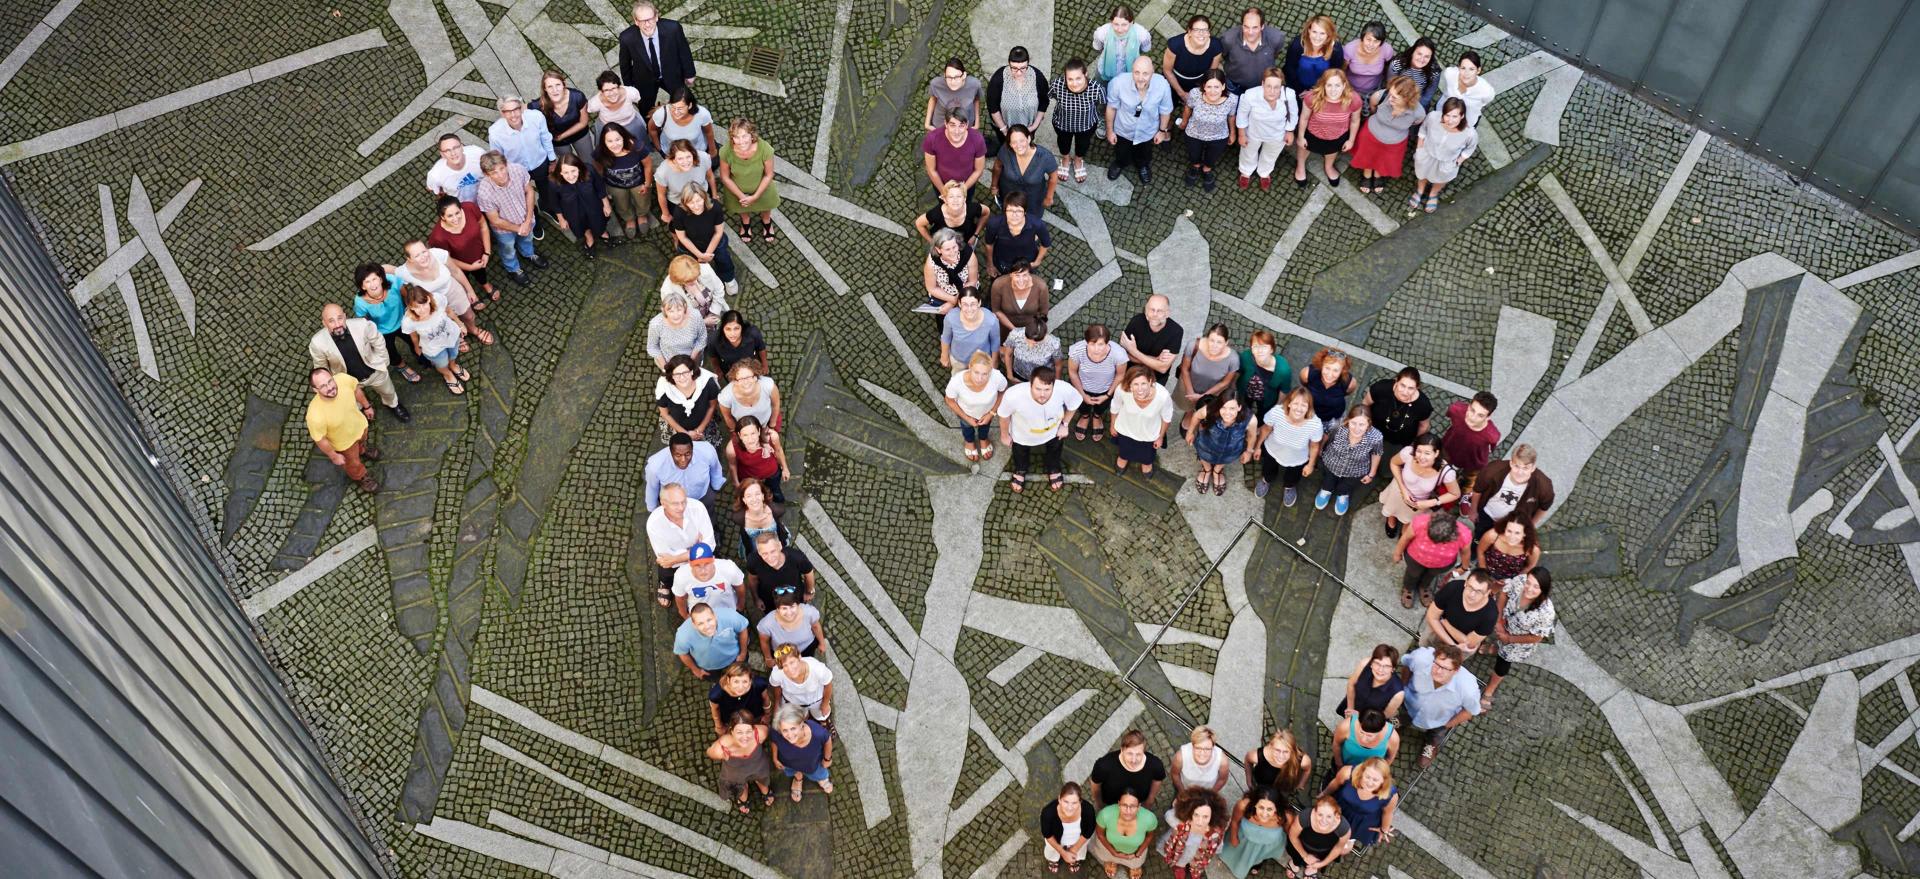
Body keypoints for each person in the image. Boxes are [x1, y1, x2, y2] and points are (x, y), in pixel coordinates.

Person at [309, 304, 408, 422]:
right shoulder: (317, 343)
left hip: (374, 372)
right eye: (331, 321)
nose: (337, 324)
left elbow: (378, 341)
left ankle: (393, 404)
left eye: (340, 318)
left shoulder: (362, 325)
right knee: (354, 401)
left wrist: (383, 361)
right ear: (324, 323)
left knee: (388, 391)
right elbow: (322, 368)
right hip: (348, 381)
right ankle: (361, 409)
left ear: (345, 317)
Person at [998, 365, 1082, 493]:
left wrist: (1065, 424)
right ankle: (1020, 469)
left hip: (1053, 432)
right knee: (1020, 452)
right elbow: (1004, 415)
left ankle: (1053, 468)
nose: (1042, 394)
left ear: (1054, 385)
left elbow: (1074, 402)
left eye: (1047, 389)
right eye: (1038, 389)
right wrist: (1005, 435)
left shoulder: (1063, 388)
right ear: (1030, 384)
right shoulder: (1013, 395)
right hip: (1022, 434)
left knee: (1055, 450)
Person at [392, 238, 490, 346]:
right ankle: (457, 338)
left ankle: (473, 329)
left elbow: (456, 271)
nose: (423, 257)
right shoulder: (404, 272)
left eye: (424, 251)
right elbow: (393, 277)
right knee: (443, 324)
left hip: (452, 290)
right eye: (417, 255)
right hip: (431, 302)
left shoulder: (439, 254)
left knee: (469, 316)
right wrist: (409, 300)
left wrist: (470, 290)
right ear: (409, 259)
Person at [1485, 567, 1555, 709]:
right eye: (1528, 582)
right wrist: (1498, 620)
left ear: (1544, 589)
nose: (1528, 588)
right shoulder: (1520, 581)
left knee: (1502, 664)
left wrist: (1509, 639)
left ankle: (1489, 690)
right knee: (1496, 641)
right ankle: (1494, 648)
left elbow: (1536, 637)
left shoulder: (1546, 613)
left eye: (1536, 587)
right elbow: (1504, 593)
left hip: (1517, 643)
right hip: (1502, 626)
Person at [1402, 643, 1481, 768]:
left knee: (1436, 734)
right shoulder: (1421, 658)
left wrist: (1446, 725)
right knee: (1404, 713)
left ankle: (1431, 743)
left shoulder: (1467, 689)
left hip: (1438, 720)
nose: (1438, 671)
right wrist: (1403, 687)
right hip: (1409, 704)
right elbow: (1407, 665)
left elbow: (1470, 711)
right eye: (1437, 664)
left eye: (1445, 668)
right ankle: (1403, 719)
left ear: (1456, 670)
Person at [617, 1, 696, 122]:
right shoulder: (627, 38)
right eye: (642, 21)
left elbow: (684, 50)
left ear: (656, 16)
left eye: (650, 19)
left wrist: (689, 73)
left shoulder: (673, 29)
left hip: (671, 74)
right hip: (644, 80)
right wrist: (629, 88)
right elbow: (625, 65)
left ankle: (691, 122)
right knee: (646, 110)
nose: (647, 24)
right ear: (636, 21)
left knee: (686, 101)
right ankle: (651, 130)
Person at [475, 151, 545, 285]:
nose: (501, 175)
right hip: (504, 230)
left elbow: (529, 191)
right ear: (486, 174)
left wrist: (528, 219)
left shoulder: (518, 170)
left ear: (506, 164)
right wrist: (519, 228)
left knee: (527, 239)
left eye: (502, 168)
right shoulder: (484, 193)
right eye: (494, 172)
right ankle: (513, 269)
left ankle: (528, 254)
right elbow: (495, 220)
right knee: (508, 249)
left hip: (526, 219)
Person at [306, 367, 379, 492]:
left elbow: (356, 390)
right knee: (353, 464)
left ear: (333, 376)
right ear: (315, 390)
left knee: (363, 442)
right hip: (344, 445)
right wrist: (333, 456)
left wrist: (367, 407)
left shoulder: (343, 379)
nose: (330, 388)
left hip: (360, 426)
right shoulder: (315, 415)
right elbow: (320, 439)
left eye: (330, 381)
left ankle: (362, 450)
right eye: (323, 386)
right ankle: (361, 476)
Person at [1104, 56, 1173, 183]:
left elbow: (1165, 111)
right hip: (1123, 129)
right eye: (1137, 72)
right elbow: (1111, 108)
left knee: (1144, 152)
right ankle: (1120, 163)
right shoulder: (1118, 83)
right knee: (1121, 150)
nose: (1140, 78)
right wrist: (1109, 131)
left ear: (1153, 72)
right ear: (1132, 70)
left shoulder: (1163, 86)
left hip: (1147, 131)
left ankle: (1142, 166)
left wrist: (1162, 131)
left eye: (1145, 73)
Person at [1351, 75, 1425, 193]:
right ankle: (1367, 172)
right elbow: (1373, 108)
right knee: (1367, 155)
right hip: (1371, 135)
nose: (1390, 99)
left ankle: (1378, 173)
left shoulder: (1419, 113)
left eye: (1395, 98)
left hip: (1395, 143)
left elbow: (1416, 122)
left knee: (1383, 160)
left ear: (1407, 99)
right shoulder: (1380, 96)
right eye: (1390, 94)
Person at [1381, 434, 1461, 539]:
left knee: (1409, 518)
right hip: (1398, 490)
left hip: (1418, 502)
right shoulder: (1408, 453)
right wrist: (1403, 489)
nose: (1421, 457)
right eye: (1418, 451)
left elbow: (1455, 493)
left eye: (1427, 453)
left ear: (1436, 453)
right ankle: (1391, 518)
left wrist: (1430, 502)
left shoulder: (1445, 471)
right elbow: (1394, 463)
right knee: (1392, 508)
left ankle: (1406, 527)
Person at [352, 264, 422, 383]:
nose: (373, 284)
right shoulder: (360, 302)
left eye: (374, 279)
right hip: (382, 330)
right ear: (362, 286)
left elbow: (406, 296)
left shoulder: (393, 281)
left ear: (380, 278)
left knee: (415, 341)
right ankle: (401, 366)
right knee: (390, 351)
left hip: (403, 321)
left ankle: (419, 355)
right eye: (367, 282)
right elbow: (365, 321)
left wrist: (410, 313)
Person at [647, 482, 715, 606]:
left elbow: (710, 544)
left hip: (685, 559)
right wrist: (696, 549)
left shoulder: (698, 508)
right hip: (675, 564)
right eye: (675, 503)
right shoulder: (654, 524)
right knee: (666, 572)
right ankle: (664, 584)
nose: (681, 507)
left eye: (683, 501)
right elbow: (664, 559)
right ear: (663, 503)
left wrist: (676, 558)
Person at [1469, 445, 1555, 541]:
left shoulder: (1543, 486)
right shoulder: (1493, 470)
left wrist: (1530, 526)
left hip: (1512, 525)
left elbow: (1544, 508)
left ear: (1533, 468)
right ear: (1511, 463)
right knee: (1478, 537)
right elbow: (1477, 490)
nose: (1520, 472)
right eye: (1516, 466)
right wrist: (1473, 510)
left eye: (1525, 468)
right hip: (1487, 514)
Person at [1253, 388, 1323, 504]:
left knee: (1293, 476)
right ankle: (1266, 480)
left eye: (1304, 405)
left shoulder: (1315, 424)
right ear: (1289, 403)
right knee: (1268, 469)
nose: (1299, 409)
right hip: (1273, 450)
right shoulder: (1276, 413)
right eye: (1296, 403)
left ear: (1309, 407)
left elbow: (1314, 446)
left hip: (1298, 458)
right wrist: (1257, 447)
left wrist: (1310, 464)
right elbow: (1266, 429)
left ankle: (1289, 487)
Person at [1292, 68, 1361, 187]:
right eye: (1329, 85)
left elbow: (1355, 121)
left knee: (1332, 151)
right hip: (1312, 133)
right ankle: (1300, 166)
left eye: (1337, 85)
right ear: (1323, 85)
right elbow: (1304, 118)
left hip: (1337, 135)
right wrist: (1301, 137)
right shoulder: (1312, 98)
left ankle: (1328, 166)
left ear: (1344, 85)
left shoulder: (1353, 100)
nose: (1333, 90)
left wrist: (1351, 140)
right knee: (1304, 148)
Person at [488, 95, 556, 214]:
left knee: (546, 189)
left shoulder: (536, 117)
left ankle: (546, 207)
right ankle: (533, 217)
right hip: (516, 171)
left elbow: (546, 138)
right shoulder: (495, 132)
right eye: (508, 112)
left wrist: (552, 160)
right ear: (502, 114)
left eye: (516, 109)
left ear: (521, 108)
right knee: (524, 197)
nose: (513, 115)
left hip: (540, 162)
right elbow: (497, 157)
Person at [718, 118, 780, 242]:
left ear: (752, 135)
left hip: (762, 188)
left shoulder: (765, 149)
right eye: (736, 137)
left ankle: (766, 221)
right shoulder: (726, 152)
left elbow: (768, 175)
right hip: (737, 191)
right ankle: (745, 222)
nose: (741, 142)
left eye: (744, 136)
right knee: (742, 208)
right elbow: (725, 177)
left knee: (766, 207)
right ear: (732, 138)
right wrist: (741, 196)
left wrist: (756, 196)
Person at [1410, 97, 1477, 213]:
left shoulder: (1470, 133)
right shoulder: (1433, 117)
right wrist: (1419, 149)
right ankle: (1420, 190)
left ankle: (1433, 193)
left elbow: (1470, 148)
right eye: (1447, 115)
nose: (1450, 120)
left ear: (1462, 116)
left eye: (1455, 116)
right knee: (1422, 174)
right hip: (1427, 154)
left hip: (1447, 161)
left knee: (1441, 179)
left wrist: (1458, 161)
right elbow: (1423, 130)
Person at [399, 284, 469, 395]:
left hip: (451, 335)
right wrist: (417, 347)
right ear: (411, 307)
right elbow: (413, 336)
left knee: (453, 354)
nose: (422, 310)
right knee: (441, 363)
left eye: (424, 304)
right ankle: (448, 374)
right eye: (417, 307)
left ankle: (453, 365)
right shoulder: (408, 321)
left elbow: (449, 311)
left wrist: (460, 324)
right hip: (433, 347)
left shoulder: (438, 299)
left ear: (428, 298)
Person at [428, 195, 496, 308]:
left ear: (461, 209)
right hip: (458, 265)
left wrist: (487, 252)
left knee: (481, 271)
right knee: (462, 281)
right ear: (442, 217)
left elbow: (483, 225)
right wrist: (469, 267)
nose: (456, 218)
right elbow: (447, 259)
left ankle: (485, 284)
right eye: (450, 216)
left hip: (478, 254)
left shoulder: (469, 208)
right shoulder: (438, 237)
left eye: (457, 213)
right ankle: (469, 294)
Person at [1395, 509, 1472, 608]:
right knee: (1412, 574)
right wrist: (1397, 553)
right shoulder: (1420, 522)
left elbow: (1465, 553)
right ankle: (1408, 588)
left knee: (1431, 575)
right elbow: (1406, 538)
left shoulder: (1464, 535)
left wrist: (1464, 567)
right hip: (1415, 557)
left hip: (1442, 564)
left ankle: (1424, 586)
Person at [1234, 67, 1297, 188]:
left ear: (1281, 86)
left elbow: (1293, 114)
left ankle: (1264, 172)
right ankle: (1246, 171)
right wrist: (1242, 135)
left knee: (1271, 154)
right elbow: (1242, 116)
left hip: (1277, 134)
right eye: (1268, 86)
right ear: (1263, 84)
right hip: (1253, 132)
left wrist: (1290, 131)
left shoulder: (1289, 95)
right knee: (1248, 152)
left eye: (1276, 87)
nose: (1272, 91)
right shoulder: (1250, 95)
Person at [669, 185, 737, 295]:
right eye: (691, 202)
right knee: (691, 269)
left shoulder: (715, 207)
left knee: (723, 259)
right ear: (685, 203)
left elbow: (718, 232)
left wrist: (708, 253)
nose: (696, 206)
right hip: (690, 247)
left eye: (698, 200)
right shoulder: (679, 212)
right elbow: (682, 237)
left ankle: (728, 278)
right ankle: (698, 283)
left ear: (704, 197)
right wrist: (700, 255)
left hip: (715, 243)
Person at [1313, 405, 1381, 516]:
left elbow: (1376, 453)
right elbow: (1326, 435)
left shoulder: (1376, 437)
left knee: (1346, 486)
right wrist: (1320, 449)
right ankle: (1326, 490)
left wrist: (1371, 473)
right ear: (1348, 420)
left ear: (1368, 424)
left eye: (1362, 424)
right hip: (1332, 462)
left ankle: (1343, 494)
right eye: (1353, 423)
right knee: (1328, 480)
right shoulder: (1337, 425)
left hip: (1356, 470)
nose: (1357, 428)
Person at [1323, 758, 1397, 854]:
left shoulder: (1389, 795)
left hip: (1359, 824)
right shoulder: (1347, 773)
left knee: (1343, 850)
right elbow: (1335, 784)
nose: (1370, 783)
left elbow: (1387, 813)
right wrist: (1324, 794)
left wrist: (1384, 829)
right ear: (1362, 772)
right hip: (1339, 809)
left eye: (1375, 780)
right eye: (1367, 777)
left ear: (1383, 780)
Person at [1109, 365, 1173, 475]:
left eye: (1143, 383)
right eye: (1135, 384)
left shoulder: (1163, 396)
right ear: (1129, 384)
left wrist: (1160, 437)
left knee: (1147, 456)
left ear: (1150, 381)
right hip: (1125, 428)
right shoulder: (1121, 390)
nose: (1140, 389)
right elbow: (1115, 407)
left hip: (1149, 433)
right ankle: (1123, 458)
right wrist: (1112, 424)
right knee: (1124, 450)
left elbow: (1166, 418)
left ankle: (1147, 463)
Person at [946, 351, 1009, 463]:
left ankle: (983, 439)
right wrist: (966, 418)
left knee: (985, 427)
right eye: (976, 372)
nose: (980, 378)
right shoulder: (956, 382)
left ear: (991, 371)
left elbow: (1002, 392)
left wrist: (991, 413)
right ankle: (969, 441)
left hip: (987, 413)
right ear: (970, 367)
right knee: (967, 428)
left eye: (985, 374)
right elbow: (949, 400)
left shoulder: (997, 377)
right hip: (966, 413)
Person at [595, 123, 654, 244]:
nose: (615, 144)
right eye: (610, 141)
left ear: (624, 137)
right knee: (621, 203)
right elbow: (599, 170)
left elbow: (648, 165)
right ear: (604, 142)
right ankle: (629, 219)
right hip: (615, 185)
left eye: (618, 139)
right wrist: (605, 188)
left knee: (642, 200)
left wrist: (647, 183)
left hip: (638, 182)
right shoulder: (600, 152)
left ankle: (642, 215)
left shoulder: (637, 147)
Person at [706, 710, 774, 814]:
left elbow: (766, 732)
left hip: (757, 766)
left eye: (748, 731)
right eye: (739, 732)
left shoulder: (761, 733)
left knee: (761, 778)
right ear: (731, 731)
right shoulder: (722, 747)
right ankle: (744, 792)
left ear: (753, 728)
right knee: (740, 786)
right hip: (735, 773)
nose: (745, 737)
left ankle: (760, 785)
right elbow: (710, 753)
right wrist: (721, 755)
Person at [1048, 59, 1105, 183]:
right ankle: (1066, 159)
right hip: (1062, 124)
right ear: (1065, 78)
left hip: (1086, 125)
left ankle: (1078, 160)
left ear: (1086, 75)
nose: (1074, 83)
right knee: (1063, 143)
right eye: (1070, 79)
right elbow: (1049, 96)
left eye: (1078, 78)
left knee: (1083, 144)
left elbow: (1102, 104)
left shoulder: (1096, 89)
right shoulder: (1057, 85)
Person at [542, 153, 609, 258]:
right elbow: (554, 202)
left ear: (579, 168)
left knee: (598, 220)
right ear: (560, 173)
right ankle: (589, 237)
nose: (570, 176)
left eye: (573, 170)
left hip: (593, 205)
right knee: (580, 225)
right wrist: (561, 218)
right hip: (572, 211)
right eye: (566, 172)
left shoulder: (589, 170)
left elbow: (600, 187)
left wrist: (606, 203)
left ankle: (602, 232)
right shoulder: (553, 182)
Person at [1067, 324, 1128, 440]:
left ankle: (1096, 416)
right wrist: (1082, 394)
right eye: (1092, 343)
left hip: (1106, 389)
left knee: (1101, 407)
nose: (1096, 349)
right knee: (1083, 407)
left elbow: (1120, 375)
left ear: (1107, 342)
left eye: (1101, 344)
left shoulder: (1118, 354)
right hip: (1082, 387)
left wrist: (1107, 395)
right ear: (1086, 341)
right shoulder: (1077, 351)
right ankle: (1085, 416)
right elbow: (1073, 372)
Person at [1180, 71, 1238, 190]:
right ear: (1203, 86)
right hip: (1194, 133)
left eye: (1216, 86)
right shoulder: (1195, 94)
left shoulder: (1232, 100)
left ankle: (1207, 169)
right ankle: (1195, 166)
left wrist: (1232, 133)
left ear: (1223, 86)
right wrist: (1184, 122)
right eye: (1209, 86)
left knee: (1212, 157)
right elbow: (1188, 108)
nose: (1212, 91)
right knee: (1193, 155)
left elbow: (1231, 116)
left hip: (1218, 136)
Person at [1187, 393, 1253, 496]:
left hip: (1231, 451)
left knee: (1225, 459)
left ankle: (1217, 471)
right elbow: (1196, 416)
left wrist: (1249, 451)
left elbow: (1252, 435)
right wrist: (1190, 432)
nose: (1227, 413)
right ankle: (1207, 469)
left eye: (1232, 408)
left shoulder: (1250, 419)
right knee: (1204, 456)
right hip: (1207, 446)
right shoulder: (1209, 410)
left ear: (1239, 407)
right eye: (1223, 407)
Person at [1155, 786, 1228, 879]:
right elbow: (1168, 816)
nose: (1200, 822)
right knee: (1180, 861)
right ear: (1190, 812)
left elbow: (1217, 843)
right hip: (1180, 850)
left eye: (1205, 817)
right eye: (1196, 815)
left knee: (1195, 862)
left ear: (1213, 815)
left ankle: (1193, 869)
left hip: (1198, 854)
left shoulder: (1216, 831)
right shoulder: (1181, 822)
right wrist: (1177, 807)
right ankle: (1179, 867)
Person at [1177, 324, 1238, 430]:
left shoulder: (1233, 359)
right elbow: (1185, 369)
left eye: (1219, 342)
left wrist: (1203, 396)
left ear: (1226, 343)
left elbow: (1225, 383)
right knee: (1189, 405)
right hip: (1189, 384)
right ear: (1206, 338)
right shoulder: (1193, 345)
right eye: (1211, 340)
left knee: (1206, 409)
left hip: (1213, 390)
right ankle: (1189, 412)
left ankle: (1200, 416)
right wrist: (1191, 392)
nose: (1214, 345)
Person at [1440, 390, 1500, 499]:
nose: (1473, 417)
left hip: (1474, 461)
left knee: (1471, 479)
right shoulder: (1456, 410)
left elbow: (1492, 447)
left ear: (1488, 417)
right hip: (1449, 449)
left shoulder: (1492, 435)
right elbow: (1450, 415)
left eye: (1480, 415)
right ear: (1468, 405)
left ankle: (1466, 493)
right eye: (1472, 410)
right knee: (1443, 466)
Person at [987, 46, 1050, 147]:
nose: (1019, 72)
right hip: (1006, 129)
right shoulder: (998, 79)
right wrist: (1004, 130)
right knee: (1007, 146)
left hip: (1029, 128)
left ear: (1028, 64)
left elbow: (1044, 102)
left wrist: (1034, 126)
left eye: (1023, 68)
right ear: (1009, 64)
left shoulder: (1037, 77)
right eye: (1014, 68)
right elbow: (992, 107)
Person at [1363, 366, 1433, 457]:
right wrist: (1364, 426)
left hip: (1399, 442)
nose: (1405, 392)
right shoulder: (1381, 388)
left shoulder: (1423, 405)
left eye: (1410, 388)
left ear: (1417, 388)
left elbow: (1424, 426)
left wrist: (1413, 444)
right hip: (1374, 431)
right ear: (1396, 381)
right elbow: (1365, 404)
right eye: (1402, 385)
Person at [1219, 788, 1288, 878]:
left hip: (1266, 845)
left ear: (1276, 808)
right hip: (1243, 839)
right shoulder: (1243, 805)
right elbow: (1235, 821)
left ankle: (1258, 862)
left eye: (1270, 809)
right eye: (1261, 807)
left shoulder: (1285, 816)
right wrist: (1233, 837)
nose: (1264, 814)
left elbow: (1288, 832)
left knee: (1259, 858)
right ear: (1254, 804)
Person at [645, 433, 724, 511]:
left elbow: (715, 469)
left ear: (692, 449)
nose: (683, 460)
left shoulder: (707, 451)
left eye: (688, 454)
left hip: (702, 496)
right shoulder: (655, 466)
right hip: (673, 504)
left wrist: (716, 487)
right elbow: (652, 489)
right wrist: (653, 510)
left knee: (708, 515)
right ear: (671, 452)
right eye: (678, 455)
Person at [769, 705, 833, 800]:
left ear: (801, 723)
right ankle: (798, 778)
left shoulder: (817, 732)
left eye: (793, 728)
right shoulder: (776, 731)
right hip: (789, 763)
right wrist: (775, 758)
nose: (790, 735)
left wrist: (827, 759)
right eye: (785, 730)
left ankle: (821, 779)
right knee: (793, 771)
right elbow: (774, 740)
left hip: (812, 764)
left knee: (818, 773)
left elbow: (827, 739)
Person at [1088, 729, 1165, 807]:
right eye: (1130, 753)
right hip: (1111, 805)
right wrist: (1099, 804)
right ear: (1122, 750)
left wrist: (1149, 801)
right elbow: (1096, 786)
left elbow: (1157, 780)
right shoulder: (1104, 766)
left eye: (1138, 754)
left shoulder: (1155, 765)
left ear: (1144, 751)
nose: (1134, 760)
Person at [980, 192, 1051, 277]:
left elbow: (1046, 244)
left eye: (1019, 211)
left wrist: (1037, 261)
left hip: (1027, 262)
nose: (1014, 215)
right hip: (1003, 261)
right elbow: (989, 244)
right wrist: (990, 265)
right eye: (1010, 210)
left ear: (1025, 212)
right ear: (1004, 211)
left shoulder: (1037, 224)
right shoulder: (994, 223)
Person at [654, 354, 722, 443]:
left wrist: (700, 429)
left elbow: (712, 406)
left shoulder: (708, 383)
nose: (682, 377)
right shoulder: (664, 390)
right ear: (672, 376)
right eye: (677, 374)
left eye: (685, 373)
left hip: (704, 424)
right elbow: (665, 414)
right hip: (676, 427)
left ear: (692, 371)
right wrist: (684, 433)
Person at [673, 602, 750, 678]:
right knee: (719, 682)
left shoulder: (729, 616)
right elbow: (682, 653)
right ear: (694, 625)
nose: (707, 626)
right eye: (700, 623)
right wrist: (695, 670)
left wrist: (743, 653)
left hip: (735, 658)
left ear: (715, 616)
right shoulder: (683, 634)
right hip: (710, 669)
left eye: (709, 620)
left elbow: (742, 629)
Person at [922, 108, 989, 196]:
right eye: (952, 125)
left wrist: (963, 189)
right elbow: (931, 170)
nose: (957, 131)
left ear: (967, 125)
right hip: (942, 185)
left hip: (967, 185)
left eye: (961, 125)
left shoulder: (977, 139)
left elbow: (978, 170)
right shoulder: (932, 139)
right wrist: (943, 191)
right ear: (946, 124)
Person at [725, 416, 791, 503]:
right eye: (745, 435)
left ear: (759, 431)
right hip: (749, 478)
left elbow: (778, 450)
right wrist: (736, 483)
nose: (750, 439)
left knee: (776, 493)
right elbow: (732, 465)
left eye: (753, 433)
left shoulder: (771, 437)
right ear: (739, 435)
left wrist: (785, 468)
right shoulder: (732, 448)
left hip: (771, 473)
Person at [1221, 7, 1286, 94]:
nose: (1250, 32)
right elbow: (1224, 56)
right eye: (1246, 27)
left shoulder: (1276, 38)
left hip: (1262, 87)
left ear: (1262, 26)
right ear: (1242, 25)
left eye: (1255, 27)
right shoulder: (1228, 39)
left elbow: (1275, 54)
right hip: (1234, 86)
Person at [1120, 293, 1182, 384]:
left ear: (1167, 313)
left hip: (1156, 377)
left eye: (1159, 311)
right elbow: (1123, 355)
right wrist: (1155, 359)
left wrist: (1134, 352)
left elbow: (1163, 368)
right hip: (1131, 371)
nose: (1155, 314)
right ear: (1146, 310)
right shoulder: (1136, 322)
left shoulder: (1176, 331)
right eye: (1151, 309)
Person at [1093, 792, 1158, 879]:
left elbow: (1149, 836)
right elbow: (1100, 834)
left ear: (1139, 806)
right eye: (1124, 805)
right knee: (1107, 856)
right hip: (1110, 849)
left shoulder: (1149, 818)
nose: (1128, 811)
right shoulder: (1105, 814)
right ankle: (1112, 861)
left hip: (1134, 852)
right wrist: (1113, 852)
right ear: (1119, 804)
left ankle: (1134, 866)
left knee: (1136, 862)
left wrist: (1138, 853)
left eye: (1133, 806)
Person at [672, 542, 745, 618]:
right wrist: (684, 614)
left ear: (713, 559)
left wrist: (741, 605)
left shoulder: (729, 568)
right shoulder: (681, 576)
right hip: (700, 616)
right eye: (697, 565)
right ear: (690, 563)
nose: (703, 570)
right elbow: (680, 598)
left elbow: (739, 587)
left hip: (728, 610)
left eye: (706, 564)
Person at [747, 531, 816, 612]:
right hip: (770, 602)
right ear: (759, 552)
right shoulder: (753, 561)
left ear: (779, 546)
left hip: (796, 598)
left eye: (773, 551)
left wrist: (809, 592)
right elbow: (752, 580)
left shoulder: (796, 558)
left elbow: (808, 573)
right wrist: (756, 598)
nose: (770, 557)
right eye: (764, 553)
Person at [993, 125, 1059, 209]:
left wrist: (1049, 197)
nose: (1018, 145)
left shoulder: (1045, 156)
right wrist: (994, 186)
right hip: (1008, 193)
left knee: (1031, 218)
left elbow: (1053, 177)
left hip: (1033, 198)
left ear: (1028, 138)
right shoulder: (1005, 150)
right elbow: (997, 167)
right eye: (1014, 142)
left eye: (1022, 140)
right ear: (1010, 144)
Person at [1162, 15, 1224, 103]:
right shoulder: (1175, 45)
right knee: (1170, 101)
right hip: (1174, 81)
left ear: (1209, 33)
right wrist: (1182, 94)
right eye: (1197, 30)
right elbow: (1167, 71)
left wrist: (1202, 90)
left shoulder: (1216, 46)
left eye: (1205, 30)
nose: (1201, 34)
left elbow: (1211, 73)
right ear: (1189, 31)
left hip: (1197, 83)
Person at [1286, 796, 1352, 877]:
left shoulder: (1343, 828)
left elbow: (1338, 848)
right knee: (1297, 856)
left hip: (1324, 851)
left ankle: (1312, 869)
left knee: (1319, 860)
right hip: (1302, 845)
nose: (1323, 820)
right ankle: (1295, 863)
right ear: (1314, 812)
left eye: (1329, 816)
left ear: (1336, 816)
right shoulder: (1304, 817)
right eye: (1320, 814)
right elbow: (1293, 836)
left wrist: (1321, 864)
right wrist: (1305, 855)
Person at [653, 138, 716, 222]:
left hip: (702, 196)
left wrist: (715, 195)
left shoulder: (703, 158)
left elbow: (710, 176)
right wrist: (665, 213)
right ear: (673, 159)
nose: (685, 162)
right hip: (678, 203)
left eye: (688, 156)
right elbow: (661, 195)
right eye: (680, 158)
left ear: (693, 154)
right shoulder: (663, 172)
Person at [923, 227, 981, 317]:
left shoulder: (969, 255)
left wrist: (953, 303)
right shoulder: (931, 263)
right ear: (938, 250)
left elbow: (972, 281)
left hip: (967, 294)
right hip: (943, 296)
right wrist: (952, 300)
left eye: (954, 247)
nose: (953, 252)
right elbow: (932, 288)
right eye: (947, 249)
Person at [536, 70, 593, 164]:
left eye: (558, 84)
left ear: (564, 84)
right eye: (550, 86)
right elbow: (518, 108)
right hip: (559, 143)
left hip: (580, 134)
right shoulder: (539, 105)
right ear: (545, 89)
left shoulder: (577, 96)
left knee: (589, 161)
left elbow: (583, 122)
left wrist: (561, 136)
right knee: (568, 164)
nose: (555, 90)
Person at [1338, 644, 1407, 719]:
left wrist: (1360, 717)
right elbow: (1351, 684)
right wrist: (1350, 709)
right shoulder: (1365, 664)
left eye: (1387, 666)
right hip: (1351, 705)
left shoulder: (1398, 693)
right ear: (1371, 663)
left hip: (1368, 721)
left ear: (1393, 669)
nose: (1380, 670)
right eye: (1377, 663)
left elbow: (1384, 716)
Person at [1041, 782, 1097, 874]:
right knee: (1052, 850)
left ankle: (1075, 859)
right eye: (1066, 801)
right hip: (1056, 839)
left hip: (1078, 839)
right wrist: (1063, 853)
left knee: (1080, 850)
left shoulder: (1088, 810)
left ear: (1080, 801)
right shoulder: (1048, 813)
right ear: (1059, 799)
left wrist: (1074, 849)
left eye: (1074, 803)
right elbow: (1048, 835)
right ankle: (1053, 860)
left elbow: (1089, 831)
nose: (1070, 807)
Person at [1243, 727, 1311, 803]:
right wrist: (1249, 781)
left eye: (1286, 752)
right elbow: (1247, 761)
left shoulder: (1301, 760)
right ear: (1271, 747)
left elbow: (1307, 769)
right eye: (1277, 750)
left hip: (1284, 792)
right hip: (1261, 790)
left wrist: (1301, 785)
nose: (1281, 756)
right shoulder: (1259, 756)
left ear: (1292, 751)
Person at [648, 291, 711, 372]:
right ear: (664, 311)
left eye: (679, 309)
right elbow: (652, 347)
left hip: (694, 357)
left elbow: (702, 338)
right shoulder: (656, 324)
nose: (676, 315)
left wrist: (691, 361)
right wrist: (666, 368)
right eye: (671, 311)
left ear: (684, 307)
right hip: (669, 361)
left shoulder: (695, 316)